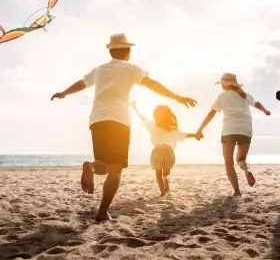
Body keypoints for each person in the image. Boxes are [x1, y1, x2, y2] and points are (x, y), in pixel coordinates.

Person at [50, 33, 197, 220]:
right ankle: (102, 211)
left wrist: (63, 93)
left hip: (97, 120)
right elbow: (152, 85)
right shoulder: (131, 69)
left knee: (103, 165)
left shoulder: (100, 69)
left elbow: (81, 84)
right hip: (119, 121)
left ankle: (91, 167)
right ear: (127, 51)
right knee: (116, 168)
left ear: (111, 51)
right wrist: (177, 97)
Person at [196, 73, 270, 196]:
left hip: (228, 131)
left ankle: (236, 191)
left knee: (229, 163)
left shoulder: (222, 96)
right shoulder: (245, 95)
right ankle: (246, 171)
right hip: (245, 131)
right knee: (241, 159)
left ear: (224, 84)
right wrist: (265, 111)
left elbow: (211, 114)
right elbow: (256, 103)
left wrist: (200, 129)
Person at [131, 101, 201, 196]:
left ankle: (162, 192)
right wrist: (195, 135)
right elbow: (183, 135)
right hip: (168, 151)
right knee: (166, 171)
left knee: (158, 174)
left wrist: (135, 108)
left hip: (157, 151)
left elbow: (143, 118)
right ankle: (166, 179)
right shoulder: (173, 128)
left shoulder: (153, 125)